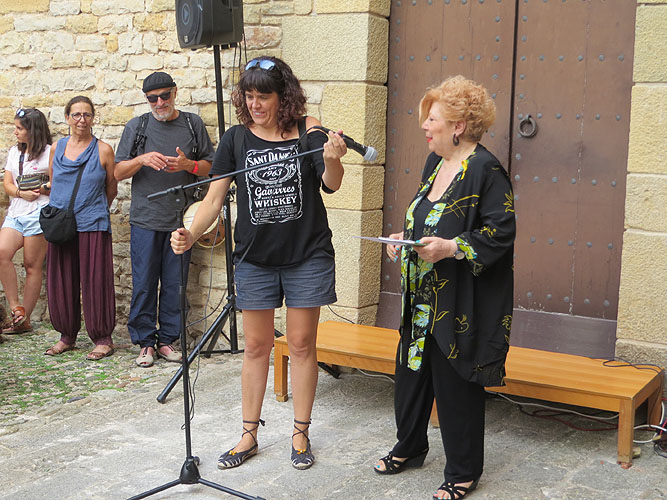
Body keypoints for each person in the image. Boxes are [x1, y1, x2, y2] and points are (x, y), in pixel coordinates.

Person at [171, 56, 347, 470]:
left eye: (263, 96)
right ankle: (248, 435)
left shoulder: (308, 129)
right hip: (255, 259)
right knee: (255, 346)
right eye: (248, 96)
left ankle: (300, 434)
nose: (255, 104)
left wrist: (334, 158)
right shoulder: (235, 139)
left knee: (301, 345)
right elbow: (214, 199)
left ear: (283, 97)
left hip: (307, 254)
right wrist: (191, 234)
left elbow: (332, 183)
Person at [375, 76, 516, 500]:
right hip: (421, 295)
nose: (424, 126)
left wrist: (452, 247)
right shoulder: (434, 163)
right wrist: (404, 239)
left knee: (455, 385)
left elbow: (500, 233)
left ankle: (463, 471)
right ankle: (410, 446)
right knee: (412, 375)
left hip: (459, 302)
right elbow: (427, 220)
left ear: (458, 126)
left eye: (432, 119)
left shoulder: (486, 170)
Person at [115, 71, 215, 368]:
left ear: (175, 93)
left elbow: (210, 167)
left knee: (175, 284)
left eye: (164, 96)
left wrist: (187, 164)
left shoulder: (192, 124)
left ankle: (168, 341)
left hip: (182, 219)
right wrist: (141, 160)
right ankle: (145, 343)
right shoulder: (138, 126)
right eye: (152, 99)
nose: (159, 103)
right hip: (145, 219)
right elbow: (118, 172)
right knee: (144, 283)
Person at [44, 96, 118, 360]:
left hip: (92, 223)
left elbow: (111, 188)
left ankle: (102, 338)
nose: (81, 120)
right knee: (62, 280)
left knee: (96, 280)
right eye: (76, 114)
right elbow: (54, 182)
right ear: (67, 118)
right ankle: (67, 336)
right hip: (61, 224)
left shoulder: (103, 150)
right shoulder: (57, 148)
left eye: (87, 115)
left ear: (93, 118)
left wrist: (93, 209)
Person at [0, 108, 52, 335]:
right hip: (17, 210)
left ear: (33, 130)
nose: (15, 132)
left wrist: (41, 188)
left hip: (39, 211)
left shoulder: (50, 152)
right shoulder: (14, 152)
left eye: (19, 128)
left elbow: (58, 181)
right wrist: (21, 193)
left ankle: (25, 320)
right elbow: (8, 184)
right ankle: (15, 307)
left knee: (32, 265)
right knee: (2, 252)